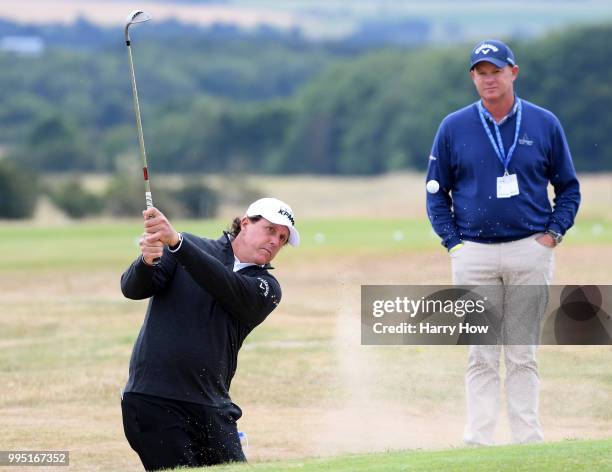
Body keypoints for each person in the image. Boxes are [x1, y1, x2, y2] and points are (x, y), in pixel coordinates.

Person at [426, 39, 580, 446]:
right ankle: (478, 441)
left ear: (514, 72)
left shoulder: (544, 123)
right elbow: (435, 192)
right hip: (473, 252)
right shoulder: (453, 126)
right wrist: (453, 243)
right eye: (481, 72)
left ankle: (528, 440)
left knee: (522, 353)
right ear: (473, 78)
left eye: (496, 70)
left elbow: (568, 188)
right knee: (481, 353)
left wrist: (552, 234)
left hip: (530, 249)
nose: (488, 79)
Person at [120, 197, 299, 471]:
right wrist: (147, 260)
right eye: (270, 230)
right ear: (245, 224)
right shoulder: (186, 248)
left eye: (283, 238)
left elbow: (225, 284)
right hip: (154, 400)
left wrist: (178, 244)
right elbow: (133, 289)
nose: (276, 241)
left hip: (212, 407)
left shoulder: (266, 287)